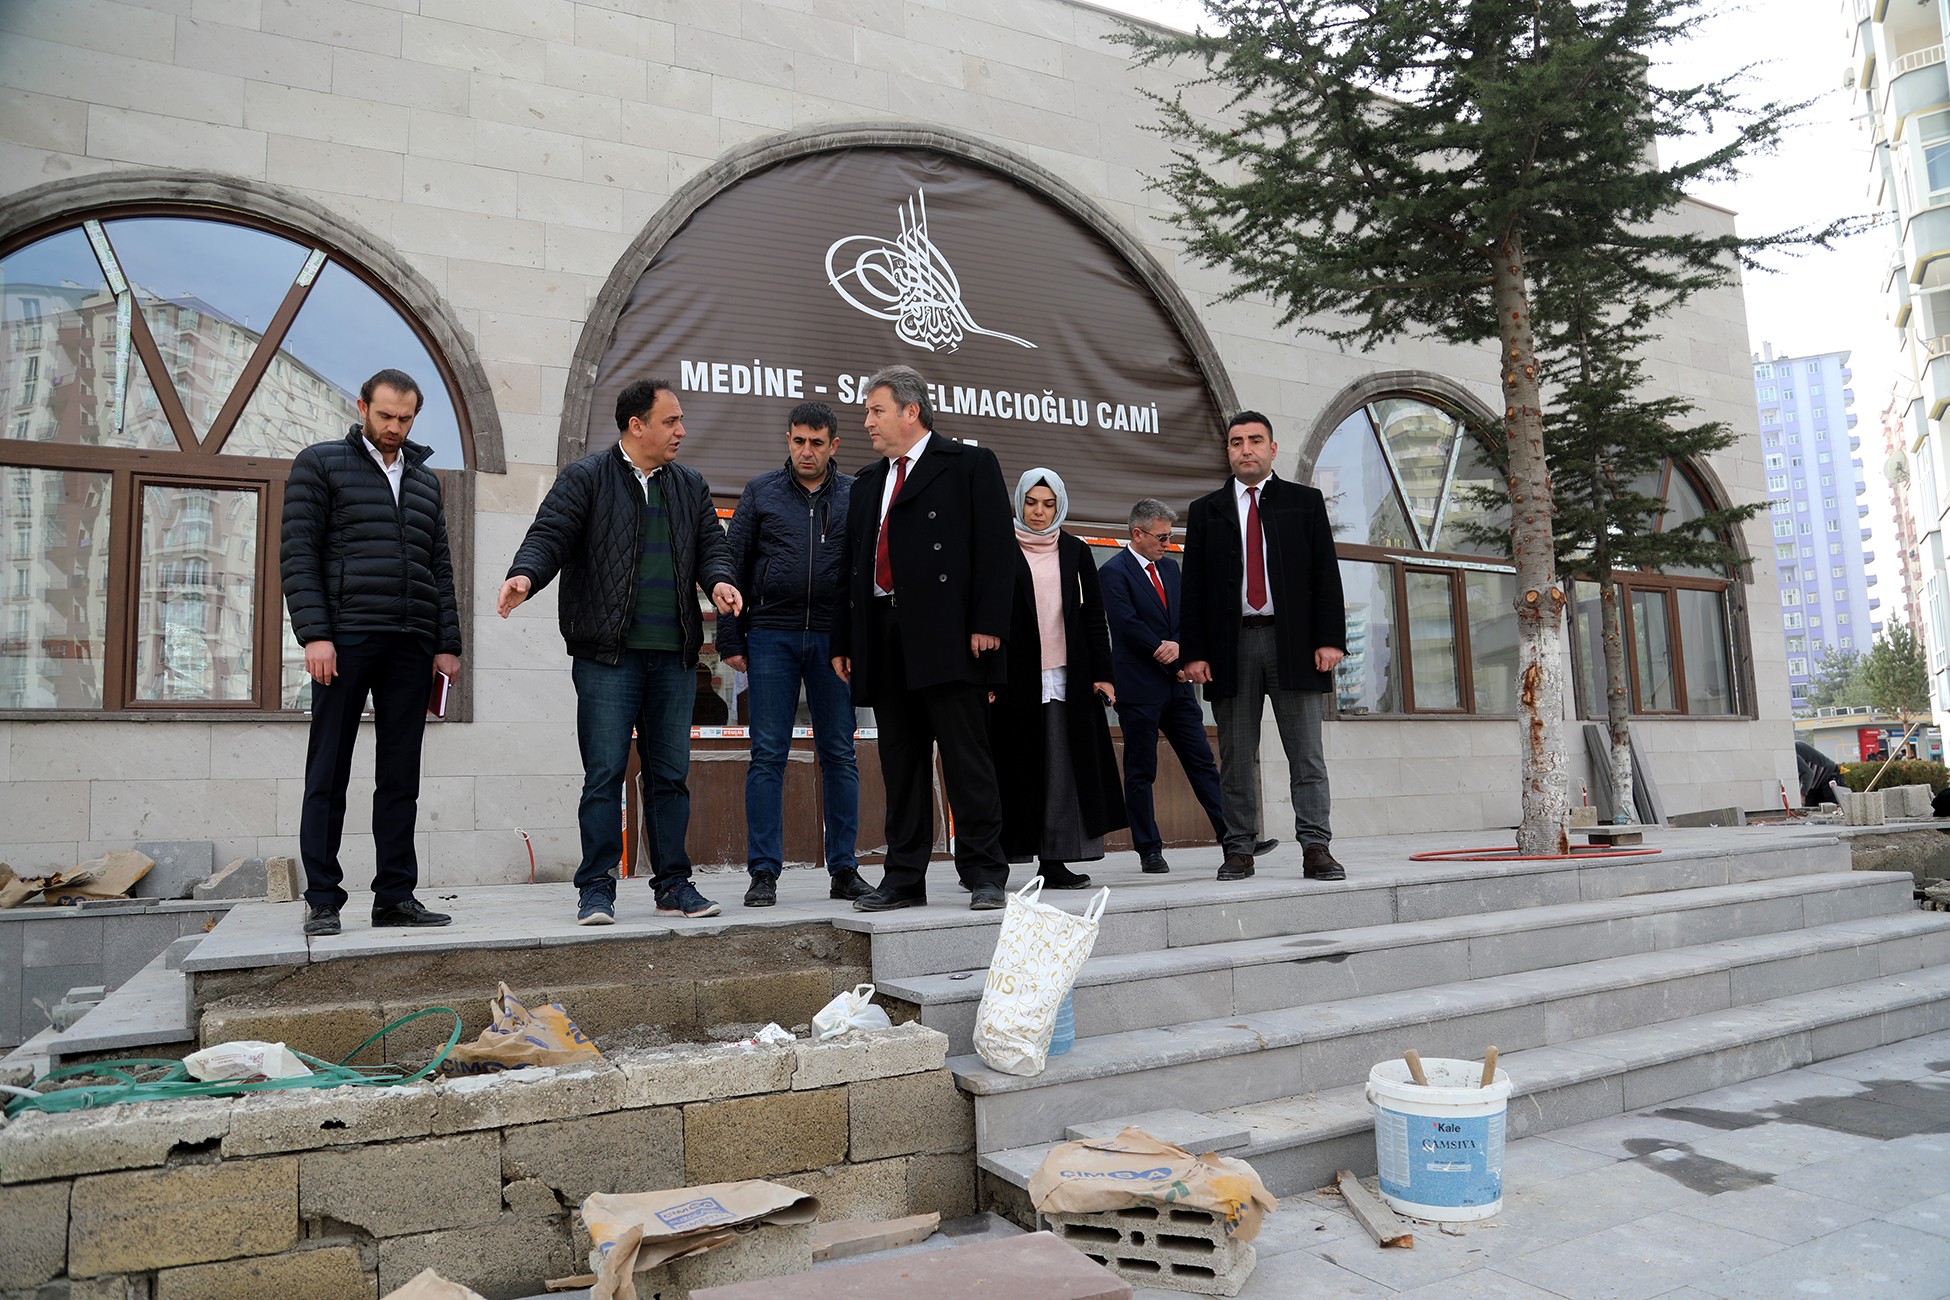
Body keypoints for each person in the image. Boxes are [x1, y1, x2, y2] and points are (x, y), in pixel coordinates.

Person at [497, 378, 743, 925]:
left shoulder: (690, 485)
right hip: (607, 656)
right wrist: (524, 575)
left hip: (676, 656)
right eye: (671, 420)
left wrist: (722, 581)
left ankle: (674, 884)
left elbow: (712, 548)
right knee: (604, 773)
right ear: (637, 426)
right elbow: (549, 535)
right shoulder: (586, 477)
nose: (682, 430)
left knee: (669, 775)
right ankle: (596, 888)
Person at [280, 368, 461, 937]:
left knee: (401, 775)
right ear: (363, 407)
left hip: (410, 641)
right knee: (328, 770)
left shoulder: (426, 481)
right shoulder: (321, 463)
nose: (394, 427)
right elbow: (298, 553)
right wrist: (315, 634)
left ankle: (395, 897)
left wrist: (447, 644)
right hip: (346, 637)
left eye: (405, 418)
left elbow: (439, 568)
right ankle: (324, 900)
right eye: (385, 415)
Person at [830, 364, 1015, 911]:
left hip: (951, 636)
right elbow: (851, 569)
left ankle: (984, 872)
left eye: (876, 410)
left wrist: (987, 624)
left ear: (911, 411)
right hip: (885, 637)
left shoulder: (969, 464)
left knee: (966, 761)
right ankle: (904, 877)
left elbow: (996, 552)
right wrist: (845, 638)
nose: (866, 422)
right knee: (901, 766)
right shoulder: (867, 483)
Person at [1179, 411, 1348, 883]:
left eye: (1255, 441)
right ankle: (1238, 849)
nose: (1245, 449)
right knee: (1235, 755)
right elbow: (1192, 590)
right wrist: (1194, 652)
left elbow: (1325, 575)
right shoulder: (1205, 511)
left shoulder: (1303, 503)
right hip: (1230, 648)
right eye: (1236, 443)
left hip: (1293, 644)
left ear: (1273, 449)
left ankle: (1316, 846)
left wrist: (1331, 639)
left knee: (1306, 754)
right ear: (1228, 451)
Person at [718, 401, 870, 908]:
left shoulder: (855, 495)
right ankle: (763, 872)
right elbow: (730, 566)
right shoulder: (761, 491)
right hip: (770, 636)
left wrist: (860, 641)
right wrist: (731, 639)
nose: (807, 451)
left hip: (834, 640)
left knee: (841, 754)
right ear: (788, 440)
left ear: (834, 445)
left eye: (817, 442)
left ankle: (844, 869)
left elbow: (864, 573)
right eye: (799, 441)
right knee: (767, 756)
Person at [990, 468, 1128, 890]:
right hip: (1013, 680)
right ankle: (986, 864)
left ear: (1060, 506)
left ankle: (1055, 861)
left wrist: (1104, 674)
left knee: (1062, 773)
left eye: (1048, 504)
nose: (1038, 512)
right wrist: (988, 676)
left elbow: (1093, 617)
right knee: (1007, 771)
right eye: (1031, 502)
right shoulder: (998, 547)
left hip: (1067, 677)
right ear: (1019, 502)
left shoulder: (1075, 552)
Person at [1099, 498, 1229, 874]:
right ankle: (1149, 848)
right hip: (1139, 688)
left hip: (1178, 688)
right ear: (1136, 534)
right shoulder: (1113, 572)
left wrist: (1181, 646)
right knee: (1142, 770)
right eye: (1160, 537)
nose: (1166, 544)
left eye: (1170, 537)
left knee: (1203, 763)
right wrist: (1171, 654)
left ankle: (1233, 838)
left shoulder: (1172, 569)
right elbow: (1126, 625)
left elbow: (1188, 615)